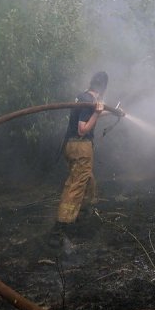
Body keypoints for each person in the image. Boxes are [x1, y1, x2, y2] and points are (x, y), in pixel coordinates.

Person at [50, 71, 109, 248]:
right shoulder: (89, 100)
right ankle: (60, 228)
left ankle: (83, 215)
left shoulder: (82, 97)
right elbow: (83, 128)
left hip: (71, 146)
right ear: (103, 88)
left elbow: (90, 113)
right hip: (81, 146)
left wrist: (110, 112)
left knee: (87, 180)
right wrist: (98, 114)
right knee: (76, 185)